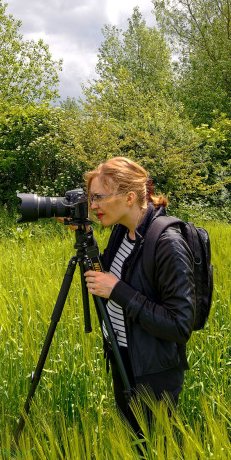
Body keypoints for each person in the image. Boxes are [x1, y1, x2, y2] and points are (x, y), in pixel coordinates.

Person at [76, 157, 195, 436]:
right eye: (91, 198)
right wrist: (88, 239)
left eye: (99, 198)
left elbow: (179, 325)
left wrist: (117, 291)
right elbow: (105, 277)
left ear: (129, 197)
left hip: (153, 369)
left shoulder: (168, 244)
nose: (93, 206)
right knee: (135, 443)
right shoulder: (122, 230)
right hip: (122, 355)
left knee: (160, 455)